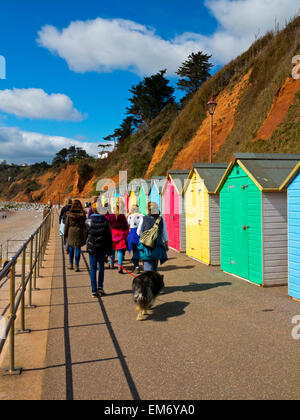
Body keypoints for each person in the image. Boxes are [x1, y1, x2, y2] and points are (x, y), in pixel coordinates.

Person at [85, 202, 113, 297]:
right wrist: (109, 251)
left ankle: (94, 290)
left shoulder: (88, 221)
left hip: (92, 248)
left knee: (93, 268)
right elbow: (109, 237)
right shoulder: (105, 221)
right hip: (102, 248)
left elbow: (86, 235)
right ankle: (100, 287)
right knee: (101, 267)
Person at [136, 201, 169, 272]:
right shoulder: (161, 220)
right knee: (155, 267)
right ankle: (154, 282)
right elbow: (164, 233)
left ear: (148, 209)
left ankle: (148, 282)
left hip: (146, 247)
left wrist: (146, 237)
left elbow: (138, 232)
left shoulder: (143, 218)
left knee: (147, 269)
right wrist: (166, 244)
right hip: (157, 246)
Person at [106, 198, 129, 274]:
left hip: (112, 234)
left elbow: (107, 224)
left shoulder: (111, 216)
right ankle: (120, 266)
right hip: (120, 234)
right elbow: (125, 226)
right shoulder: (122, 216)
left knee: (112, 250)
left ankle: (111, 264)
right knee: (119, 251)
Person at [64, 199, 86, 272]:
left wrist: (65, 234)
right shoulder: (83, 214)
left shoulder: (69, 214)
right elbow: (84, 224)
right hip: (79, 232)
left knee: (71, 249)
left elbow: (66, 225)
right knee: (78, 249)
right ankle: (77, 265)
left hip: (71, 232)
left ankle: (71, 264)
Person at [127, 204, 143, 274]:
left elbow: (128, 224)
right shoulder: (142, 216)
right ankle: (136, 265)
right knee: (139, 250)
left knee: (135, 250)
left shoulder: (130, 217)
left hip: (133, 235)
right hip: (140, 234)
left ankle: (136, 266)